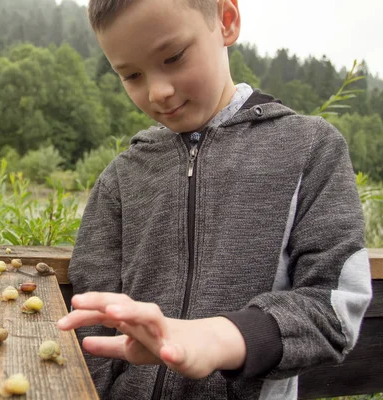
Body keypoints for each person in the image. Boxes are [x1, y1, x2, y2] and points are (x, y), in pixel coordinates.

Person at [56, 0, 373, 399]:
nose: (158, 92)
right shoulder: (121, 177)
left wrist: (219, 337)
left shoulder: (310, 148)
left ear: (227, 21)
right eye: (131, 75)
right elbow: (91, 323)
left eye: (173, 57)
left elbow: (335, 307)